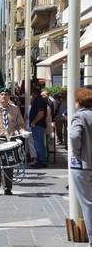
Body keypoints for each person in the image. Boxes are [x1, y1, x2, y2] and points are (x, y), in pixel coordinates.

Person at [0, 87, 28, 195]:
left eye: (6, 94)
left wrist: (22, 131)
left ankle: (7, 187)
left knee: (9, 162)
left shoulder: (15, 110)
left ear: (9, 96)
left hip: (9, 139)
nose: (4, 96)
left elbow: (19, 124)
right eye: (2, 94)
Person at [69, 87, 92, 247]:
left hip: (83, 164)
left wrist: (77, 153)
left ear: (78, 102)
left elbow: (75, 136)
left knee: (87, 203)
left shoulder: (79, 116)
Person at [29, 86, 48, 168]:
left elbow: (41, 113)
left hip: (38, 125)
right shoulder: (39, 100)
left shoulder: (39, 101)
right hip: (38, 125)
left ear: (33, 93)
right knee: (38, 144)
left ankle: (42, 161)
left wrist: (34, 122)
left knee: (39, 143)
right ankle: (40, 160)